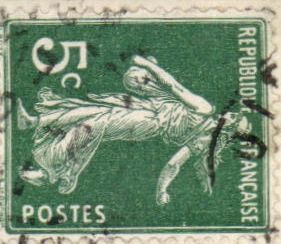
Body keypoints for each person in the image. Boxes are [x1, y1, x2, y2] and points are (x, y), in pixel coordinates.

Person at [15, 55, 247, 205]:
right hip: (148, 108)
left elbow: (173, 86)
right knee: (93, 110)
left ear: (230, 125)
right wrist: (161, 192)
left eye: (235, 119)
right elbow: (173, 165)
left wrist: (148, 65)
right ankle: (36, 122)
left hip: (150, 122)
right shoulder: (204, 136)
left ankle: (51, 173)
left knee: (96, 124)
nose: (231, 114)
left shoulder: (205, 114)